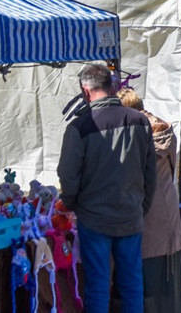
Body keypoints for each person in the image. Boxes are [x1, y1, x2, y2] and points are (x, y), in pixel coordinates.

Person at [57, 64, 156, 313]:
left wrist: (70, 203)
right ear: (112, 87)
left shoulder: (79, 127)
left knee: (99, 285)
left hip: (95, 219)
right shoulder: (140, 121)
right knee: (131, 284)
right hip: (129, 215)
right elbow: (150, 173)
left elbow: (68, 176)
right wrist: (141, 207)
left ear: (85, 90)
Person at [116, 89, 181, 313]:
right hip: (165, 211)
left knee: (151, 286)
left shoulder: (141, 137)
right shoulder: (159, 129)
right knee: (164, 283)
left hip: (149, 217)